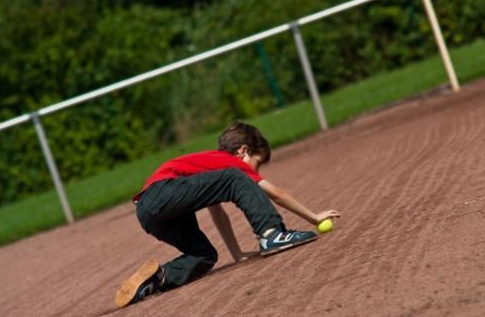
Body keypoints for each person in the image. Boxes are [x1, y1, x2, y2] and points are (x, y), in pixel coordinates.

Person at [115, 121, 341, 308]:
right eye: (257, 163)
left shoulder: (213, 170)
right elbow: (276, 194)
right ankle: (272, 234)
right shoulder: (231, 165)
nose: (257, 172)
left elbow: (217, 213)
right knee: (234, 176)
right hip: (162, 193)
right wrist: (314, 217)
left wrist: (237, 254)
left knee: (203, 256)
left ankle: (159, 278)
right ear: (243, 151)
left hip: (147, 211)